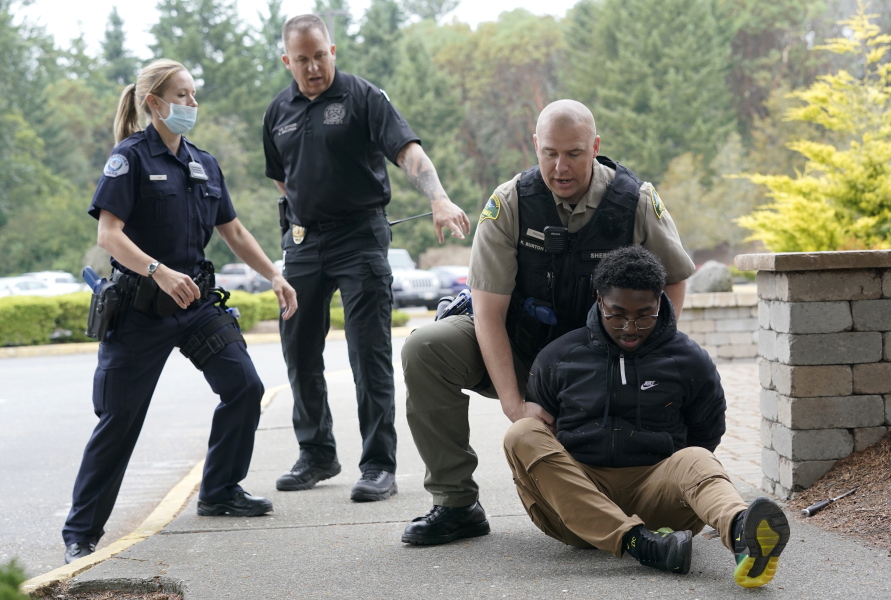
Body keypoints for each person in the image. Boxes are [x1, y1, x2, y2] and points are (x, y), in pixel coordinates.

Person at [401, 99, 695, 545]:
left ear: (595, 147)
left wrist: (648, 354)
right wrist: (516, 407)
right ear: (536, 146)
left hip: (602, 360)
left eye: (575, 154)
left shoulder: (634, 201)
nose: (561, 167)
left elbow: (673, 279)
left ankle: (641, 492)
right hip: (522, 348)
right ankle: (455, 503)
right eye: (550, 153)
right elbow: (487, 313)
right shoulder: (510, 203)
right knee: (425, 349)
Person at [62, 59, 298, 565]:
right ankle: (80, 532)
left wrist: (274, 275)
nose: (193, 104)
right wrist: (158, 271)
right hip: (140, 310)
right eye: (183, 95)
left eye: (194, 95)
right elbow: (109, 235)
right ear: (154, 103)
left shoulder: (204, 163)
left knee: (244, 387)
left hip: (194, 307)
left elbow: (233, 232)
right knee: (120, 419)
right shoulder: (128, 159)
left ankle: (219, 491)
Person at [263, 14, 470, 503]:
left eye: (321, 56)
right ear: (287, 60)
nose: (313, 67)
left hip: (360, 238)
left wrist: (438, 196)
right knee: (298, 348)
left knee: (368, 353)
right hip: (304, 243)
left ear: (333, 51)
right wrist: (304, 210)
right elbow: (281, 175)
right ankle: (316, 454)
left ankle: (378, 465)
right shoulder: (278, 111)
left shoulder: (362, 98)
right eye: (303, 59)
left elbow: (408, 151)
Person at [503, 246, 790, 588]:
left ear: (660, 303)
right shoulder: (559, 357)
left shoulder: (688, 360)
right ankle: (639, 543)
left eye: (644, 315)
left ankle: (742, 530)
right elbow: (544, 441)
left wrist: (672, 474)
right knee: (522, 433)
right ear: (599, 300)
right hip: (575, 508)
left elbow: (706, 433)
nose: (630, 328)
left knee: (696, 458)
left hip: (658, 499)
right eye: (617, 314)